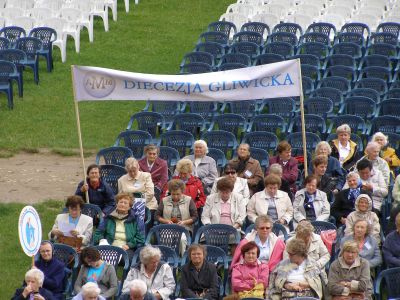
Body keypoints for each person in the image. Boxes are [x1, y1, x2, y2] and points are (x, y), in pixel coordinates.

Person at [93, 193, 145, 258]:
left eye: (125, 203)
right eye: (121, 202)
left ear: (130, 206)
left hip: (126, 248)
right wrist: (102, 240)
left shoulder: (136, 219)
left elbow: (140, 238)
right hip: (109, 245)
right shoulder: (108, 217)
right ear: (117, 204)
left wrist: (129, 245)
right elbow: (98, 233)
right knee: (96, 257)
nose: (122, 204)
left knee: (127, 259)